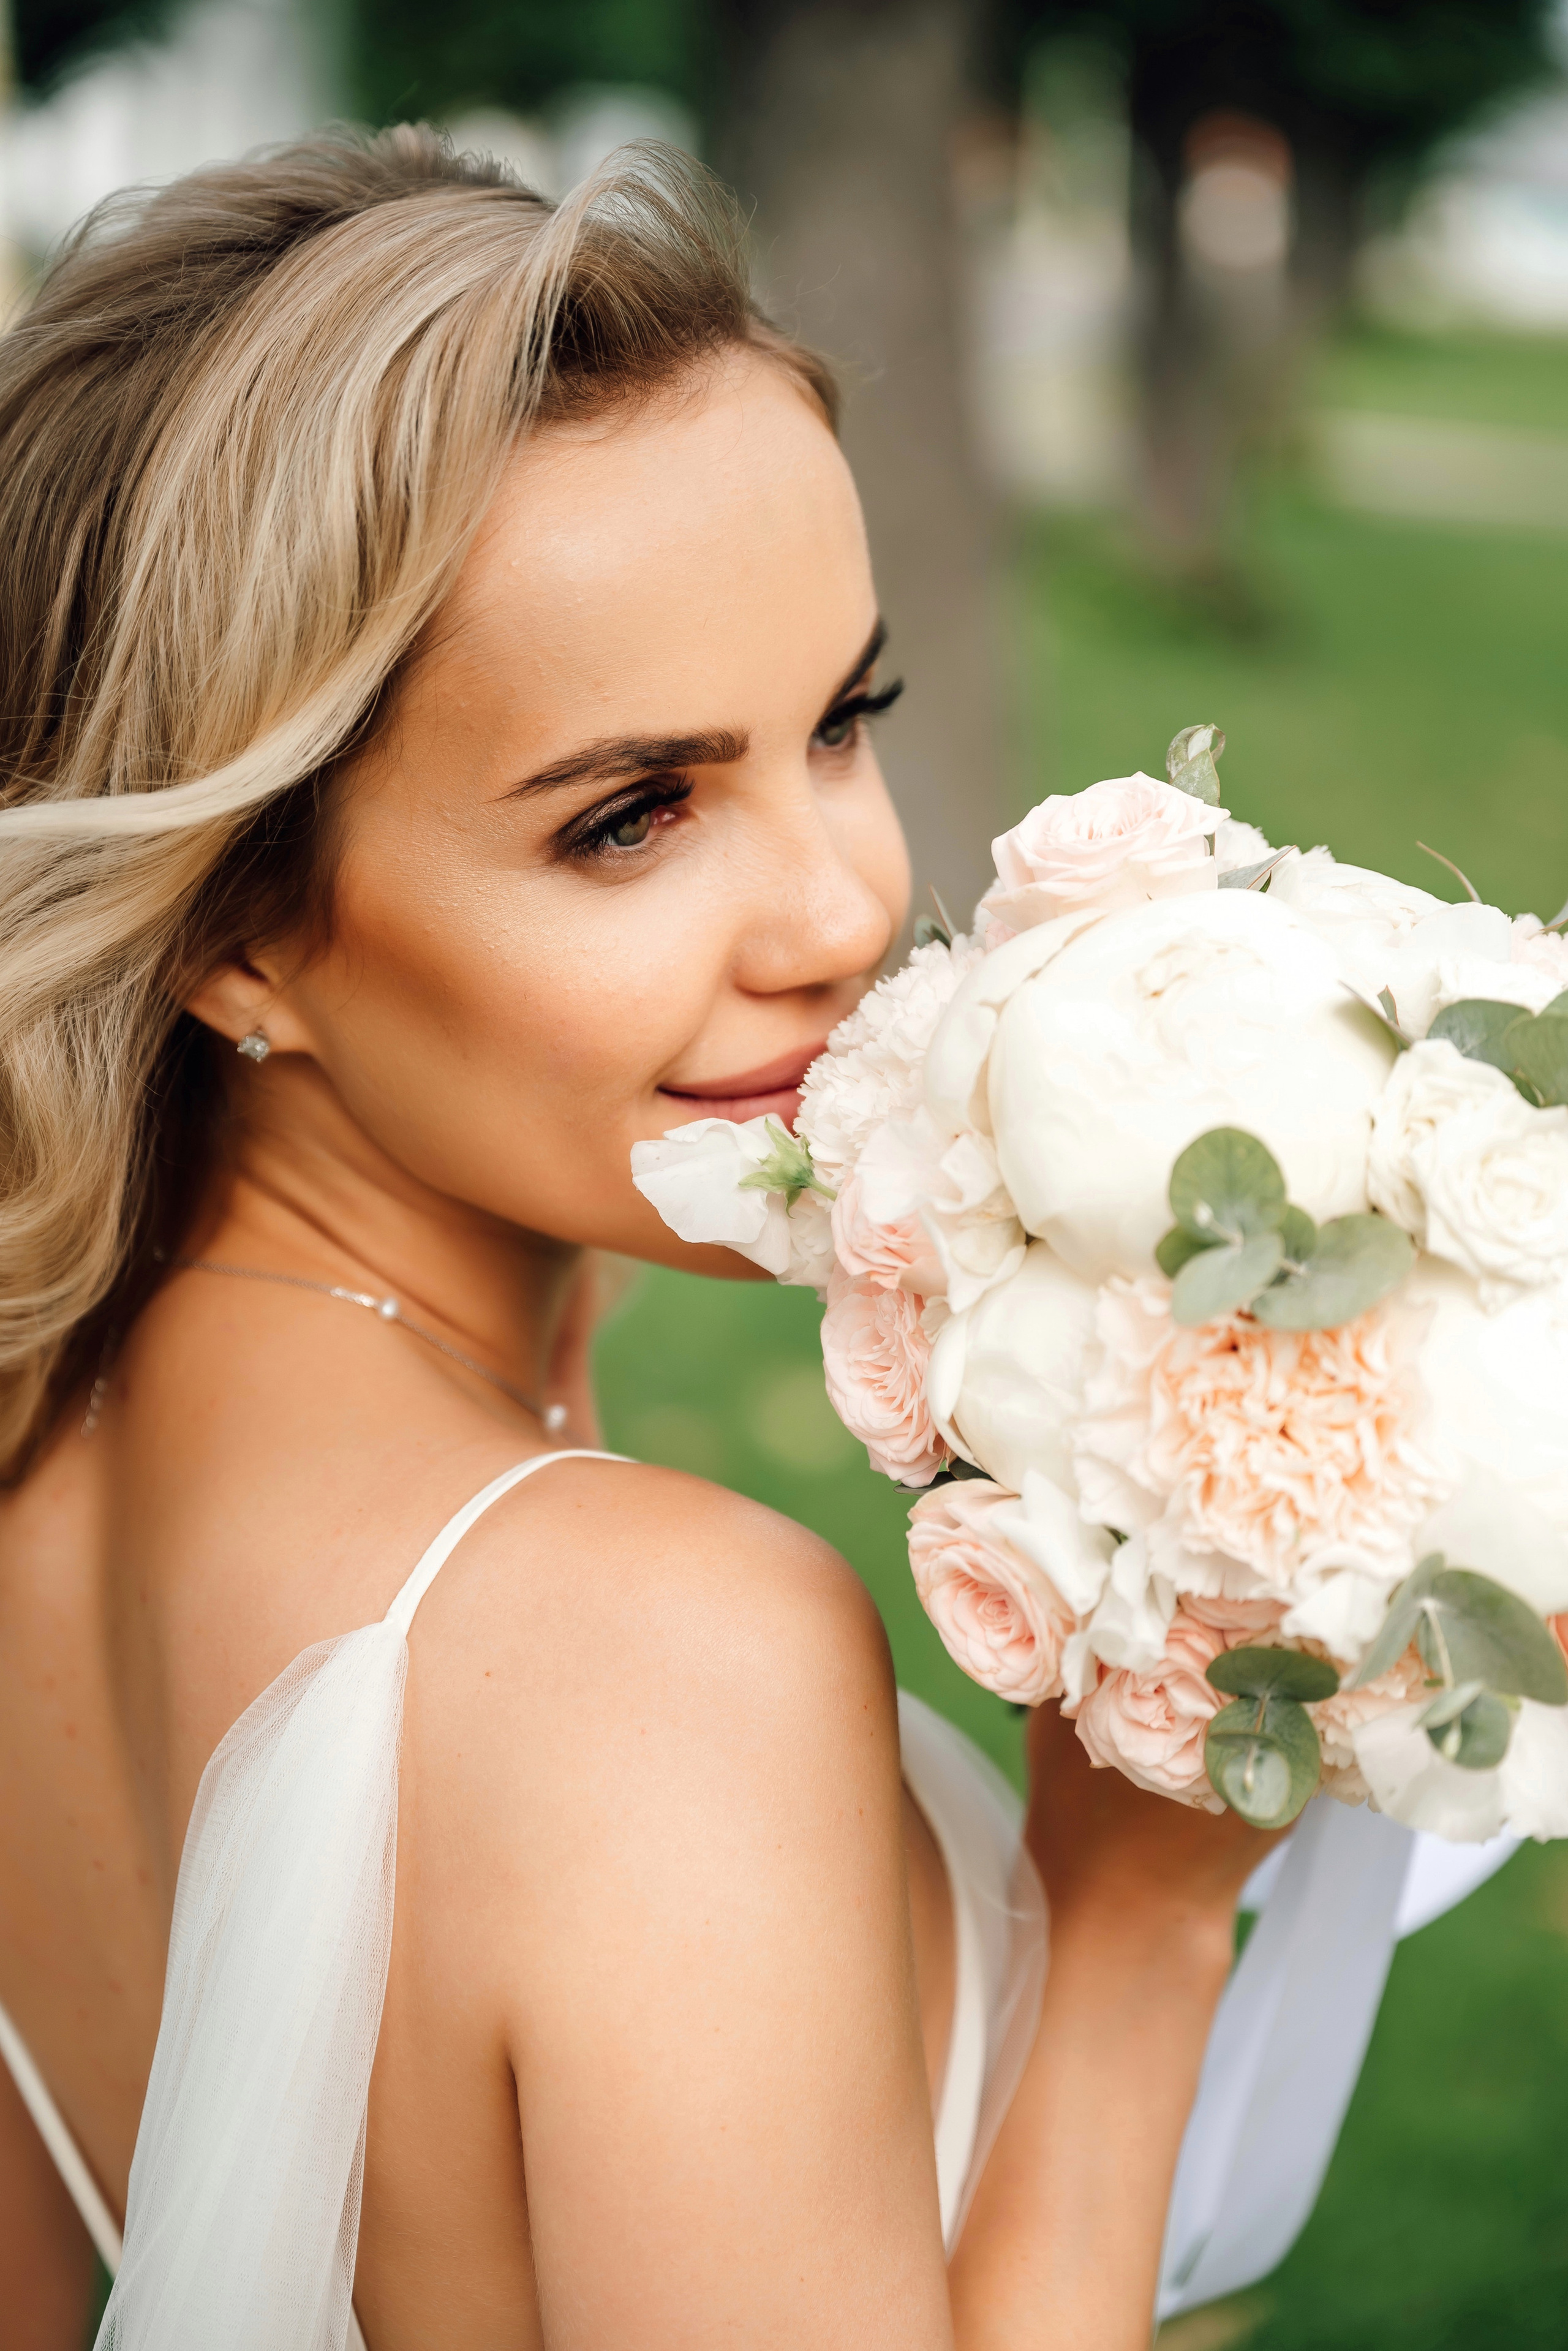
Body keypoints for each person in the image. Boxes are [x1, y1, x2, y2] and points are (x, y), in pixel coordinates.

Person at [0, 128, 1270, 2350]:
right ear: (237, 934)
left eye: (842, 724)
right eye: (631, 815)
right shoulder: (663, 1657)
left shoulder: (39, 1470)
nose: (846, 908)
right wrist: (1143, 1921)